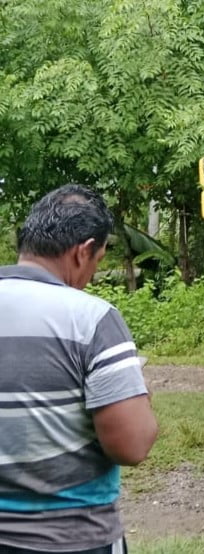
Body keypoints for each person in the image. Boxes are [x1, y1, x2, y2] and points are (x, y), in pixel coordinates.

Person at [0, 185, 158, 554]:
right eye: (98, 259)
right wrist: (139, 395)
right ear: (83, 251)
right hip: (73, 539)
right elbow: (131, 445)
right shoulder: (92, 320)